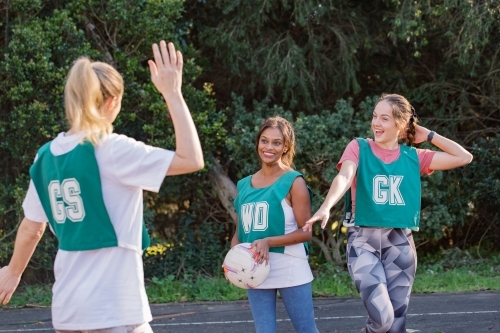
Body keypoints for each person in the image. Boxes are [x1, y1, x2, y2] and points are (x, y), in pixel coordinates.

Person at [0, 40, 204, 333]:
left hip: (68, 308)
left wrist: (13, 271)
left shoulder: (45, 156)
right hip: (114, 309)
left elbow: (32, 228)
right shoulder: (111, 149)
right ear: (112, 102)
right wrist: (172, 93)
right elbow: (191, 158)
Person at [303, 93, 473, 333]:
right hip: (363, 241)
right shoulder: (358, 147)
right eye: (375, 116)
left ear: (400, 125)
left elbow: (464, 157)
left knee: (396, 326)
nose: (376, 123)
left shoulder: (414, 157)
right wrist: (326, 206)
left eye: (384, 118)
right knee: (383, 320)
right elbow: (345, 176)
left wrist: (429, 136)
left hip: (400, 243)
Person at [231, 116, 319, 333]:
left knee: (306, 329)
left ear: (285, 147)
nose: (269, 147)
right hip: (255, 268)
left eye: (276, 142)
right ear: (258, 143)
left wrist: (269, 241)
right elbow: (240, 232)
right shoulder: (244, 185)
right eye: (264, 140)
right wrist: (234, 257)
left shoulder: (294, 181)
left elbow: (306, 232)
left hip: (289, 264)